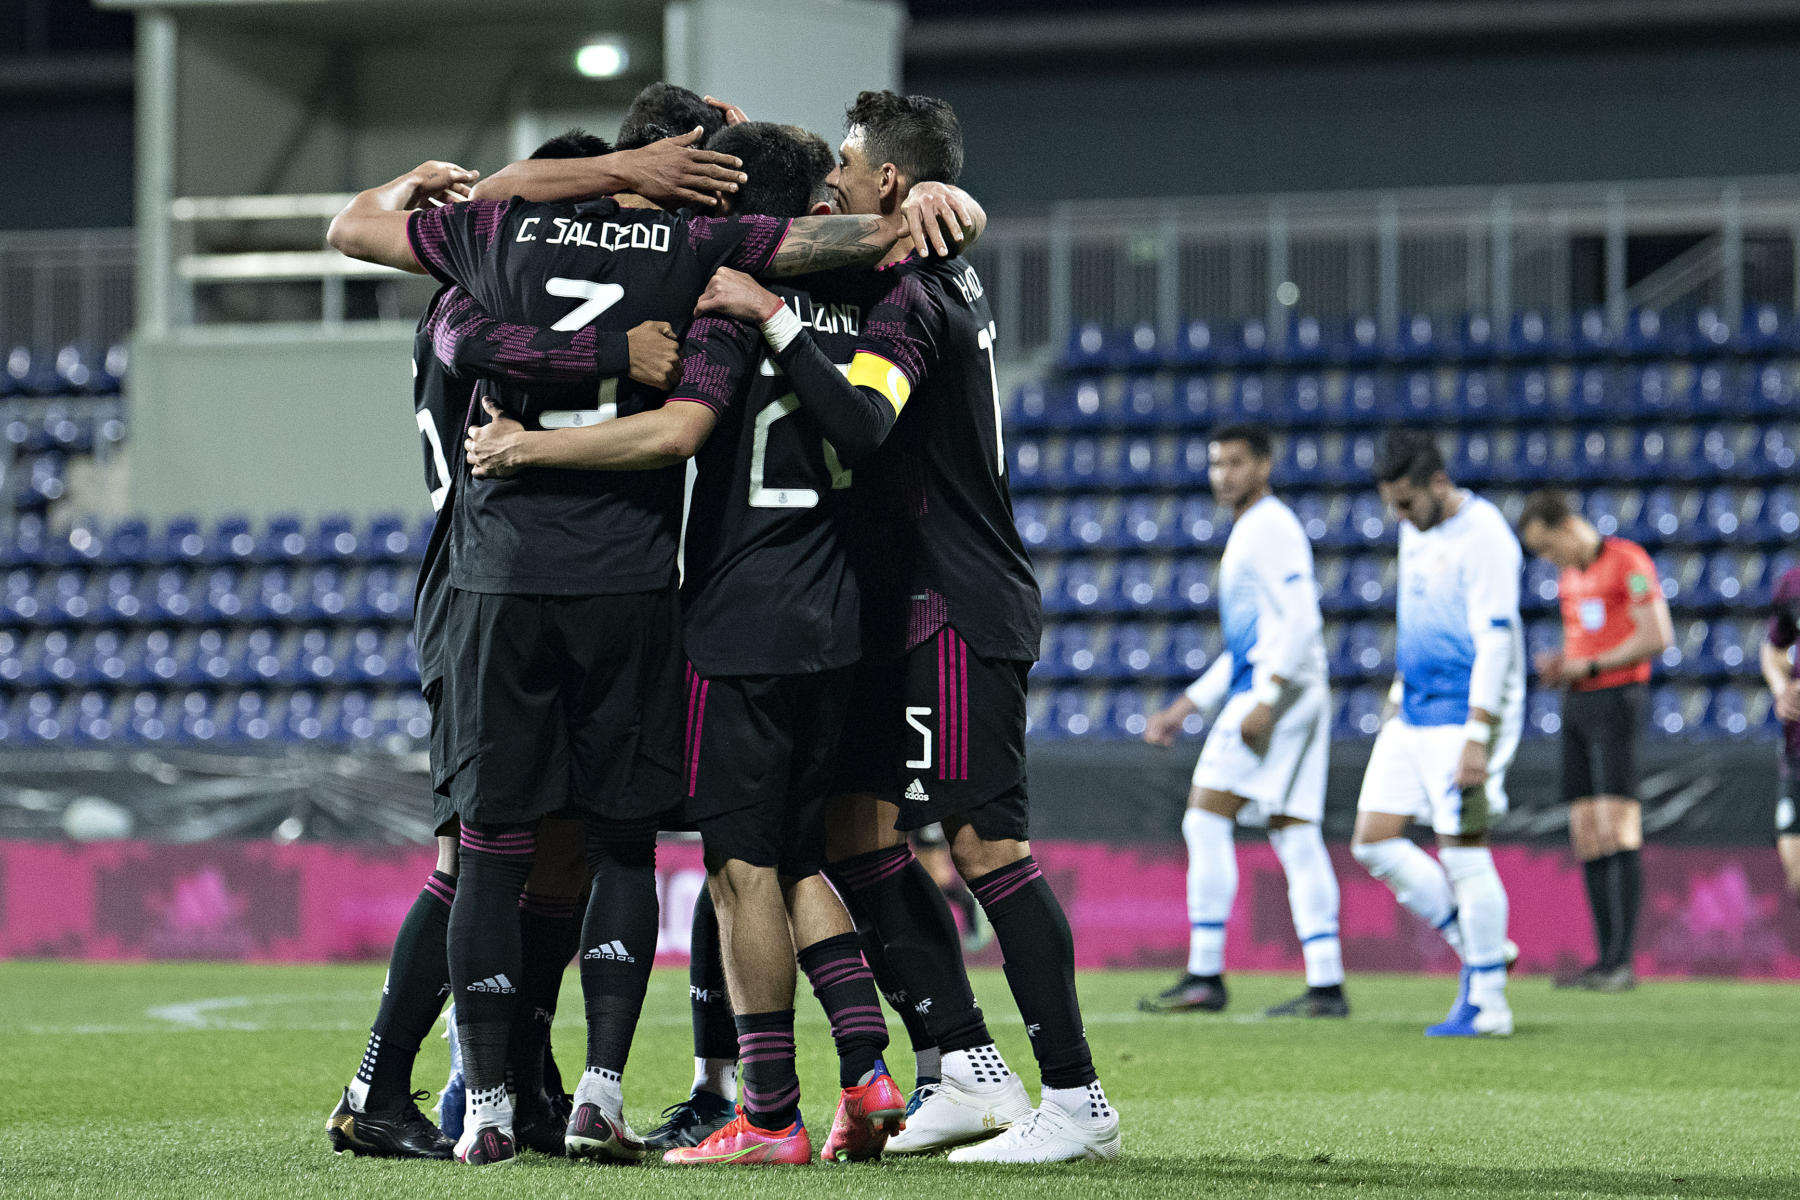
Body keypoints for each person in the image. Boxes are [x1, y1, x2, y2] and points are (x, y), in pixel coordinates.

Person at [459, 120, 950, 1166]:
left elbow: (677, 431)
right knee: (801, 850)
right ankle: (866, 1075)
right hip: (842, 621)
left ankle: (767, 1113)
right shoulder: (868, 305)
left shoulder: (724, 306)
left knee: (738, 871)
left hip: (741, 620)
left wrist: (526, 444)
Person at [694, 90, 1120, 1164]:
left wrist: (774, 318)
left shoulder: (917, 293)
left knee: (987, 846)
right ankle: (964, 1064)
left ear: (889, 180)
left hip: (958, 602)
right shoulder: (913, 257)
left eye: (847, 162)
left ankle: (1075, 1100)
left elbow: (866, 418)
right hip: (898, 607)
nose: (833, 179)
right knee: (854, 832)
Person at [323, 126, 689, 1162]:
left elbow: (354, 224)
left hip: (488, 575)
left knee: (547, 854)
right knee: (474, 857)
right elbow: (460, 331)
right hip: (484, 575)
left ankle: (520, 1080)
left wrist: (405, 176)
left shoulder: (472, 280)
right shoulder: (491, 301)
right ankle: (386, 1086)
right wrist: (619, 350)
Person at [1139, 425, 1344, 1018]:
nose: (1222, 474)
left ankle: (1206, 972)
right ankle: (1326, 983)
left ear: (1264, 466)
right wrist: (1187, 706)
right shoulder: (1254, 530)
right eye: (1215, 463)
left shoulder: (1271, 527)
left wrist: (1268, 697)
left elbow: (1303, 618)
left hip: (1275, 693)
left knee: (1205, 819)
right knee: (1295, 830)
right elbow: (1252, 641)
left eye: (1234, 462)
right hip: (1292, 690)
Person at [1349, 430, 1523, 1038]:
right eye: (1392, 504)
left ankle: (1490, 1003)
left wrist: (1479, 734)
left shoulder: (1488, 538)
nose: (1398, 516)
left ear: (1439, 484)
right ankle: (1477, 942)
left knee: (1465, 852)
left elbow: (1497, 639)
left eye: (1406, 503)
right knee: (1373, 840)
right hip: (1414, 711)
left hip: (1463, 718)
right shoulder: (1417, 529)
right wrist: (1398, 697)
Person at [1517, 489, 1671, 992]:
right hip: (1578, 702)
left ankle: (1622, 961)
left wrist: (1593, 665)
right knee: (1585, 829)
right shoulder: (1570, 577)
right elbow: (1586, 640)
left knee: (1617, 825)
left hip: (1618, 698)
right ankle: (1602, 960)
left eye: (1546, 547)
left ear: (1565, 526)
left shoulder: (1627, 560)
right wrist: (1564, 666)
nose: (1547, 559)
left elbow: (1656, 636)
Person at [1760, 565, 1800, 909]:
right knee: (1797, 874)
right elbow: (1773, 650)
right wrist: (1782, 689)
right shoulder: (1792, 582)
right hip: (1796, 747)